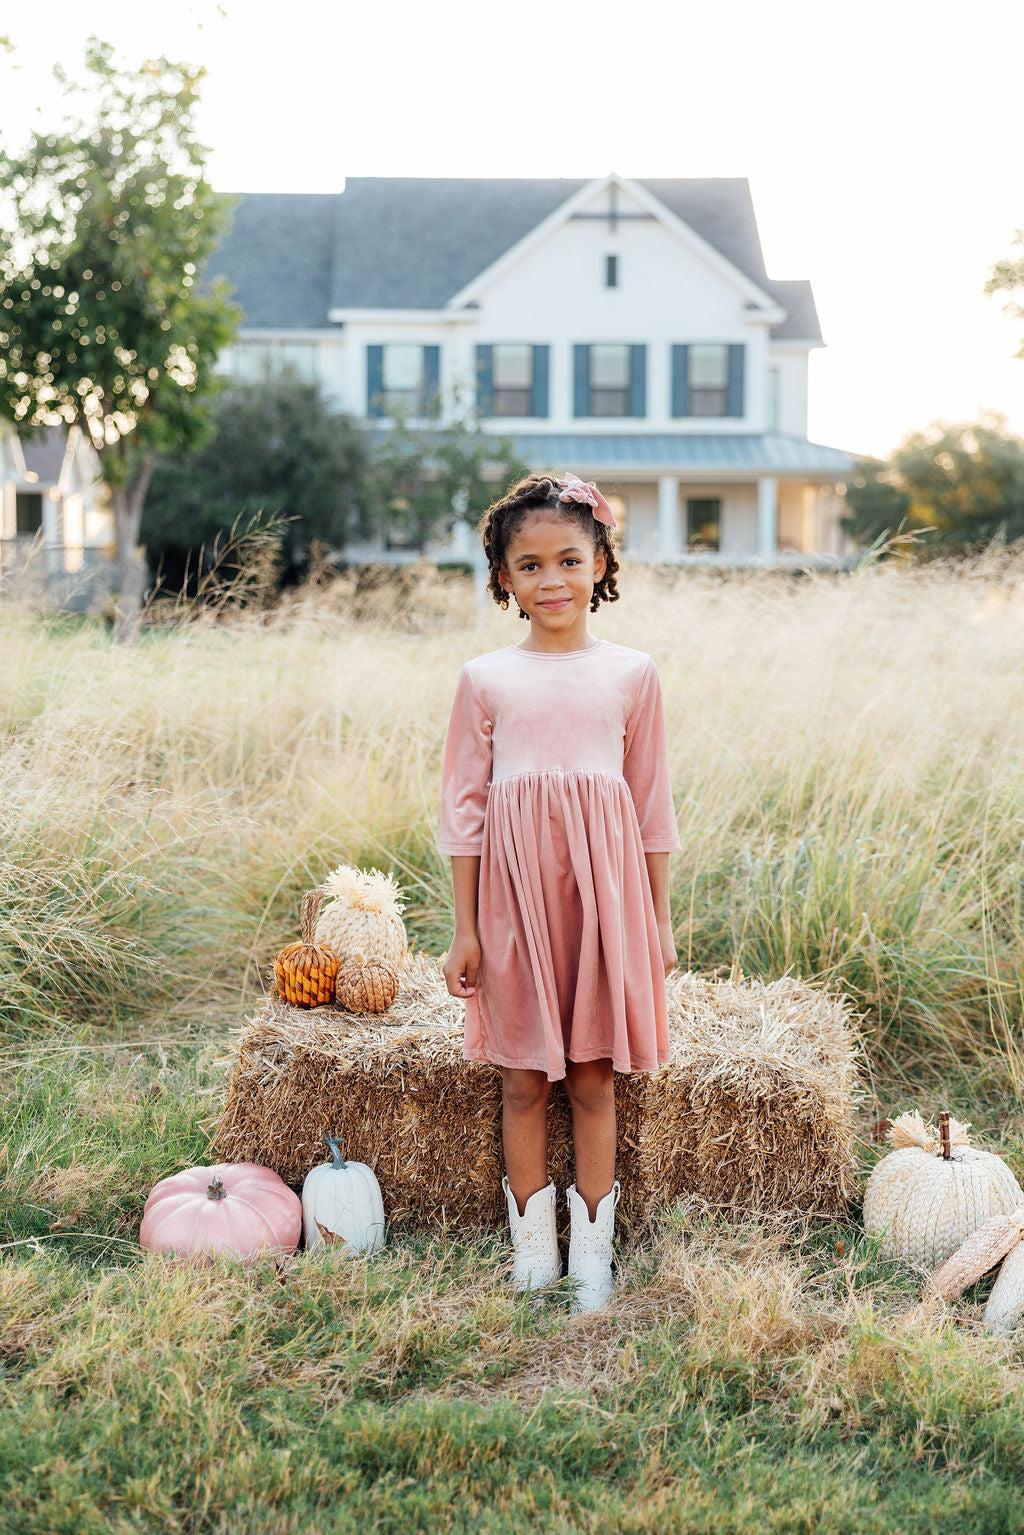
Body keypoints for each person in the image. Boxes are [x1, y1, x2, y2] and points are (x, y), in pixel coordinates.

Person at [438, 471, 680, 1314]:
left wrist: (656, 918)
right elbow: (463, 813)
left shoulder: (633, 673)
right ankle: (533, 1253)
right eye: (530, 565)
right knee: (521, 1081)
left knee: (593, 1078)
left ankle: (595, 1259)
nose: (551, 581)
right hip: (515, 904)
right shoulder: (485, 677)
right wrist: (465, 928)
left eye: (569, 560)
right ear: (503, 577)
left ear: (601, 563)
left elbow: (652, 807)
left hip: (605, 904)